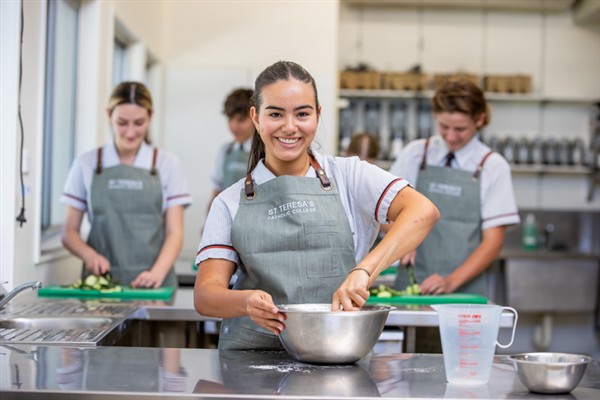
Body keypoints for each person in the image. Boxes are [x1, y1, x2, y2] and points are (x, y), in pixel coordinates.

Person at [194, 61, 439, 350]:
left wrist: (364, 272)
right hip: (250, 364)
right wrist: (245, 302)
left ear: (318, 115)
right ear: (256, 118)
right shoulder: (230, 201)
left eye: (302, 114)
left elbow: (423, 211)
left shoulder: (349, 176)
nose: (289, 127)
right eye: (275, 114)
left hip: (337, 356)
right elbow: (205, 296)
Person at [390, 79, 520, 297]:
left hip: (464, 291)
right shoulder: (415, 154)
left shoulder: (492, 166)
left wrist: (451, 282)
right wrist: (402, 235)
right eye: (444, 127)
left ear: (480, 119)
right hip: (411, 285)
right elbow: (385, 211)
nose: (451, 136)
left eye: (460, 129)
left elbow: (493, 242)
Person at [61, 81, 192, 288]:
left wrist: (156, 274)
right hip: (101, 286)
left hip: (155, 284)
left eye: (139, 123)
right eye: (122, 122)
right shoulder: (86, 163)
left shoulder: (167, 164)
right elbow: (69, 233)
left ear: (150, 116)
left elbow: (174, 233)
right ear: (109, 115)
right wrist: (89, 256)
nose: (130, 132)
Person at [208, 88, 255, 207]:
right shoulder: (225, 151)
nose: (234, 126)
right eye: (230, 119)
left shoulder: (266, 152)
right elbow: (217, 192)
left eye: (241, 120)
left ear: (255, 117)